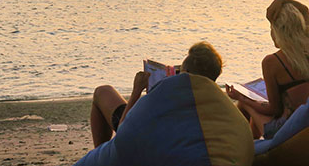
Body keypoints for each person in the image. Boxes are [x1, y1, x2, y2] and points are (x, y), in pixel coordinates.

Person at [226, 0, 309, 139]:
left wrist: (242, 98)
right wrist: (282, 1)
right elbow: (304, 10)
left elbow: (273, 110)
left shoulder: (271, 62)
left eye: (271, 28)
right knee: (254, 105)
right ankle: (254, 145)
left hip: (287, 130)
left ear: (278, 31)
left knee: (245, 104)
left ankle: (249, 149)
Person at [90, 41, 224, 148]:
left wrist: (137, 90)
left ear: (186, 71)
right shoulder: (215, 102)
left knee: (103, 91)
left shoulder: (169, 96)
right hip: (172, 142)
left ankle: (99, 156)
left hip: (146, 141)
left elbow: (123, 131)